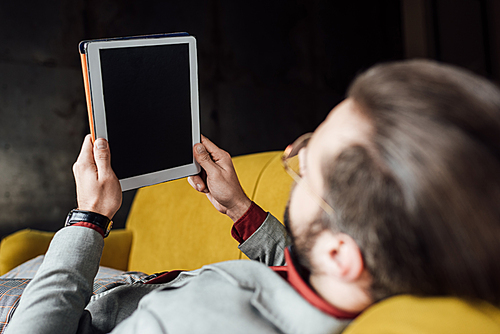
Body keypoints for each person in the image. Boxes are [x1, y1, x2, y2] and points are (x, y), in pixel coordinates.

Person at [4, 59, 500, 333]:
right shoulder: (360, 272)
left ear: (339, 252)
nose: (289, 152)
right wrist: (241, 209)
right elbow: (302, 271)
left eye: (303, 169)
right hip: (109, 288)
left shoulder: (200, 326)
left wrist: (89, 218)